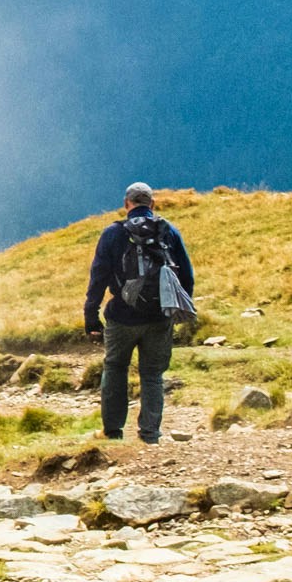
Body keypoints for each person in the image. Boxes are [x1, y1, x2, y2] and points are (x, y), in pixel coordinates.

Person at [84, 182, 194, 444]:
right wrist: (178, 310)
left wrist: (91, 316)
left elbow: (98, 277)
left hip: (122, 317)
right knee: (152, 375)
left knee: (115, 367)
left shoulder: (112, 234)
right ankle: (150, 435)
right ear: (152, 205)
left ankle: (112, 432)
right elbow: (186, 276)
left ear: (126, 205)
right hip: (159, 317)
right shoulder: (168, 231)